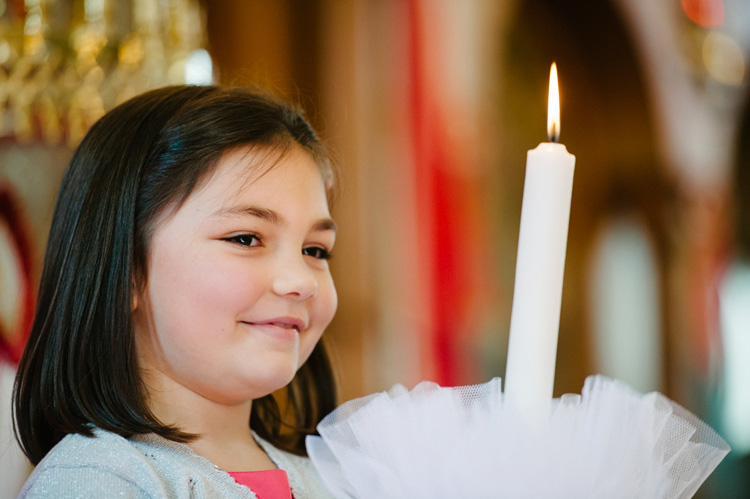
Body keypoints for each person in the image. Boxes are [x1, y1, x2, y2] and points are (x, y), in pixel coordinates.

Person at [12, 85, 339, 498]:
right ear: (127, 268)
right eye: (245, 238)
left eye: (315, 250)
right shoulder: (97, 481)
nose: (302, 281)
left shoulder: (336, 481)